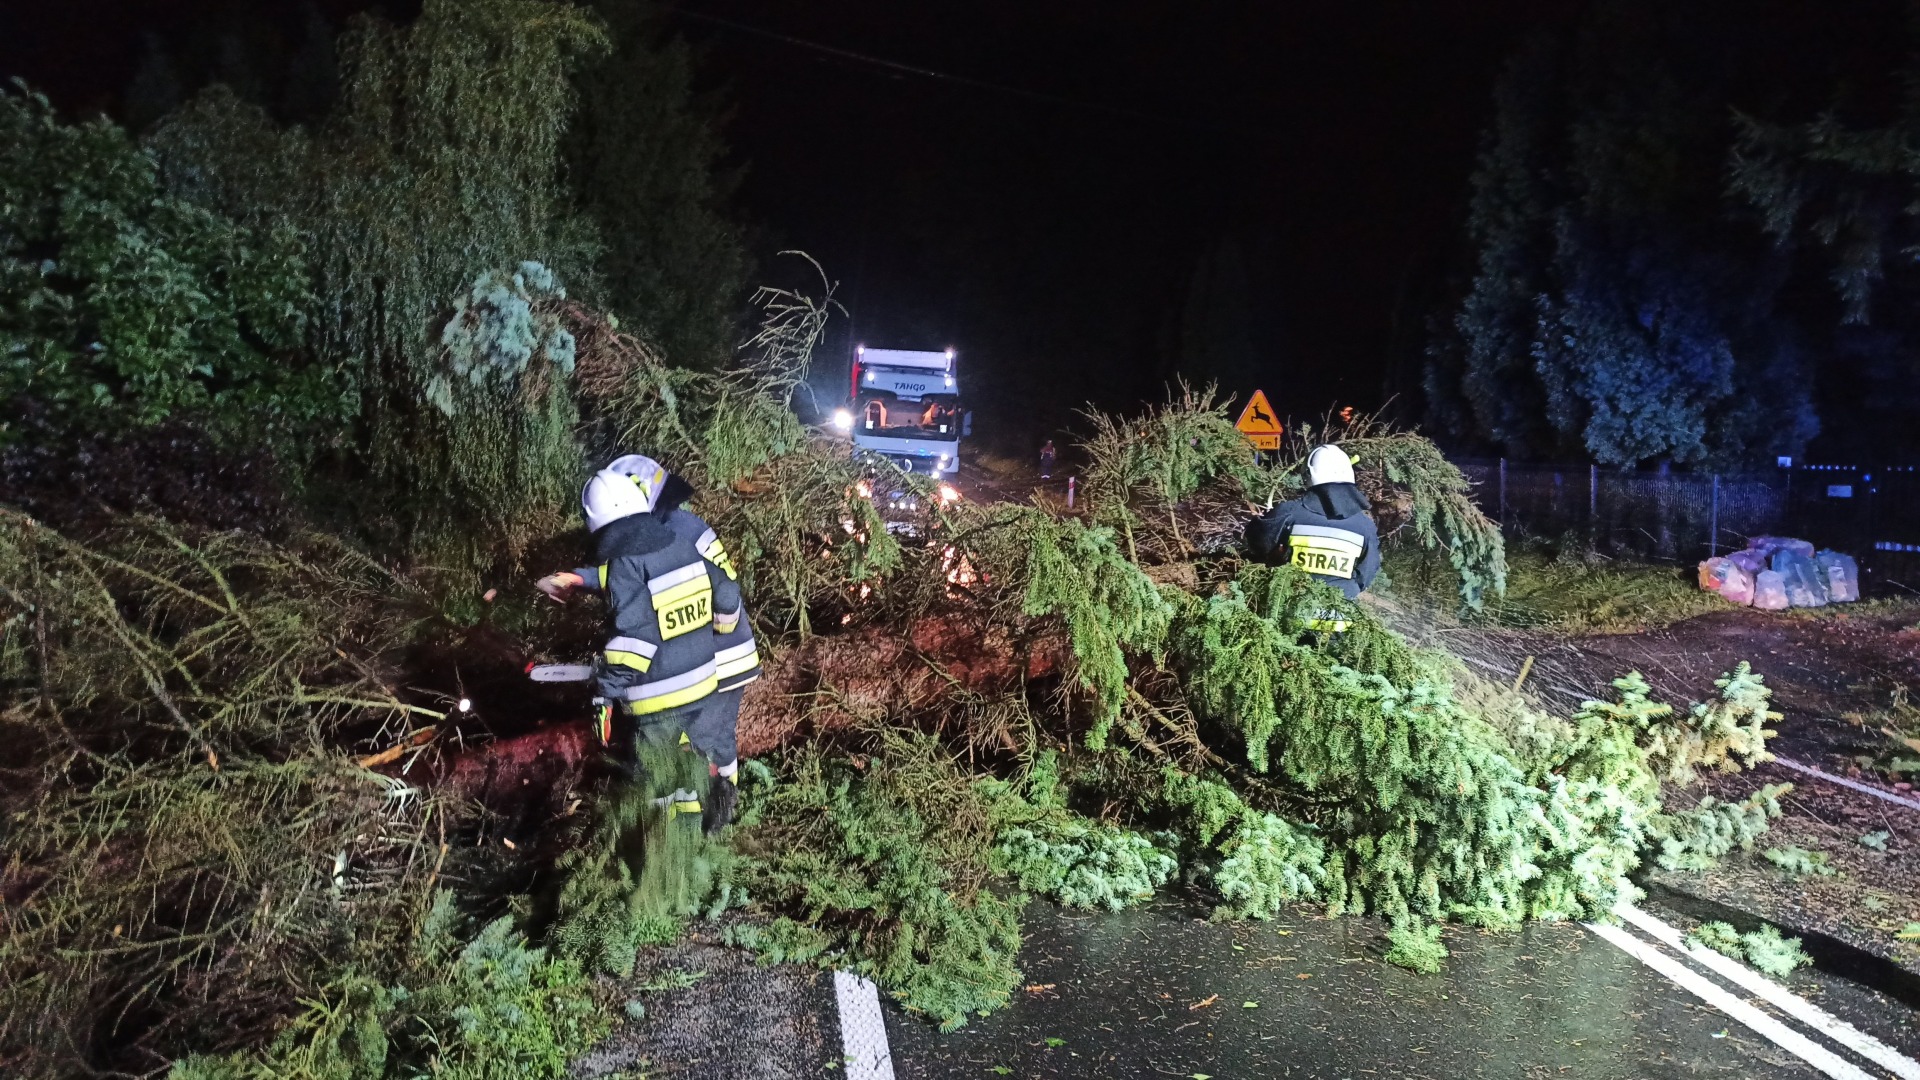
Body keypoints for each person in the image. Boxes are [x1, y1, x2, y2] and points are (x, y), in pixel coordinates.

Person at [535, 458, 742, 823]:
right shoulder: (679, 546)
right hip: (704, 686)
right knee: (697, 763)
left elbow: (636, 639)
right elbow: (725, 590)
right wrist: (723, 625)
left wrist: (605, 694)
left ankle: (665, 835)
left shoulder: (624, 565)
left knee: (657, 781)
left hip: (658, 700)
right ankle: (706, 830)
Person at [603, 454, 760, 835]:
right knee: (717, 744)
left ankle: (696, 834)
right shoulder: (684, 524)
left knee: (700, 750)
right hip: (729, 651)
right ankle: (716, 824)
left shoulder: (669, 533)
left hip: (713, 656)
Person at [1244, 444, 1380, 632]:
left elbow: (1256, 544)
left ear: (1308, 475)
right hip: (1336, 629)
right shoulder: (1365, 526)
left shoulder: (1289, 513)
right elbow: (1365, 576)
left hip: (1286, 623)